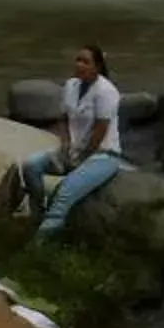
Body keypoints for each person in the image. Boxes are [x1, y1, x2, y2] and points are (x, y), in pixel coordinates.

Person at [17, 44, 123, 239]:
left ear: (97, 67)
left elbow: (101, 129)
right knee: (31, 165)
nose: (79, 64)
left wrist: (81, 158)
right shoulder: (71, 85)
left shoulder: (106, 91)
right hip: (73, 151)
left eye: (86, 61)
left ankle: (40, 244)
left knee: (64, 192)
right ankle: (39, 211)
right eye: (78, 60)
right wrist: (65, 145)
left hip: (102, 155)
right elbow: (65, 118)